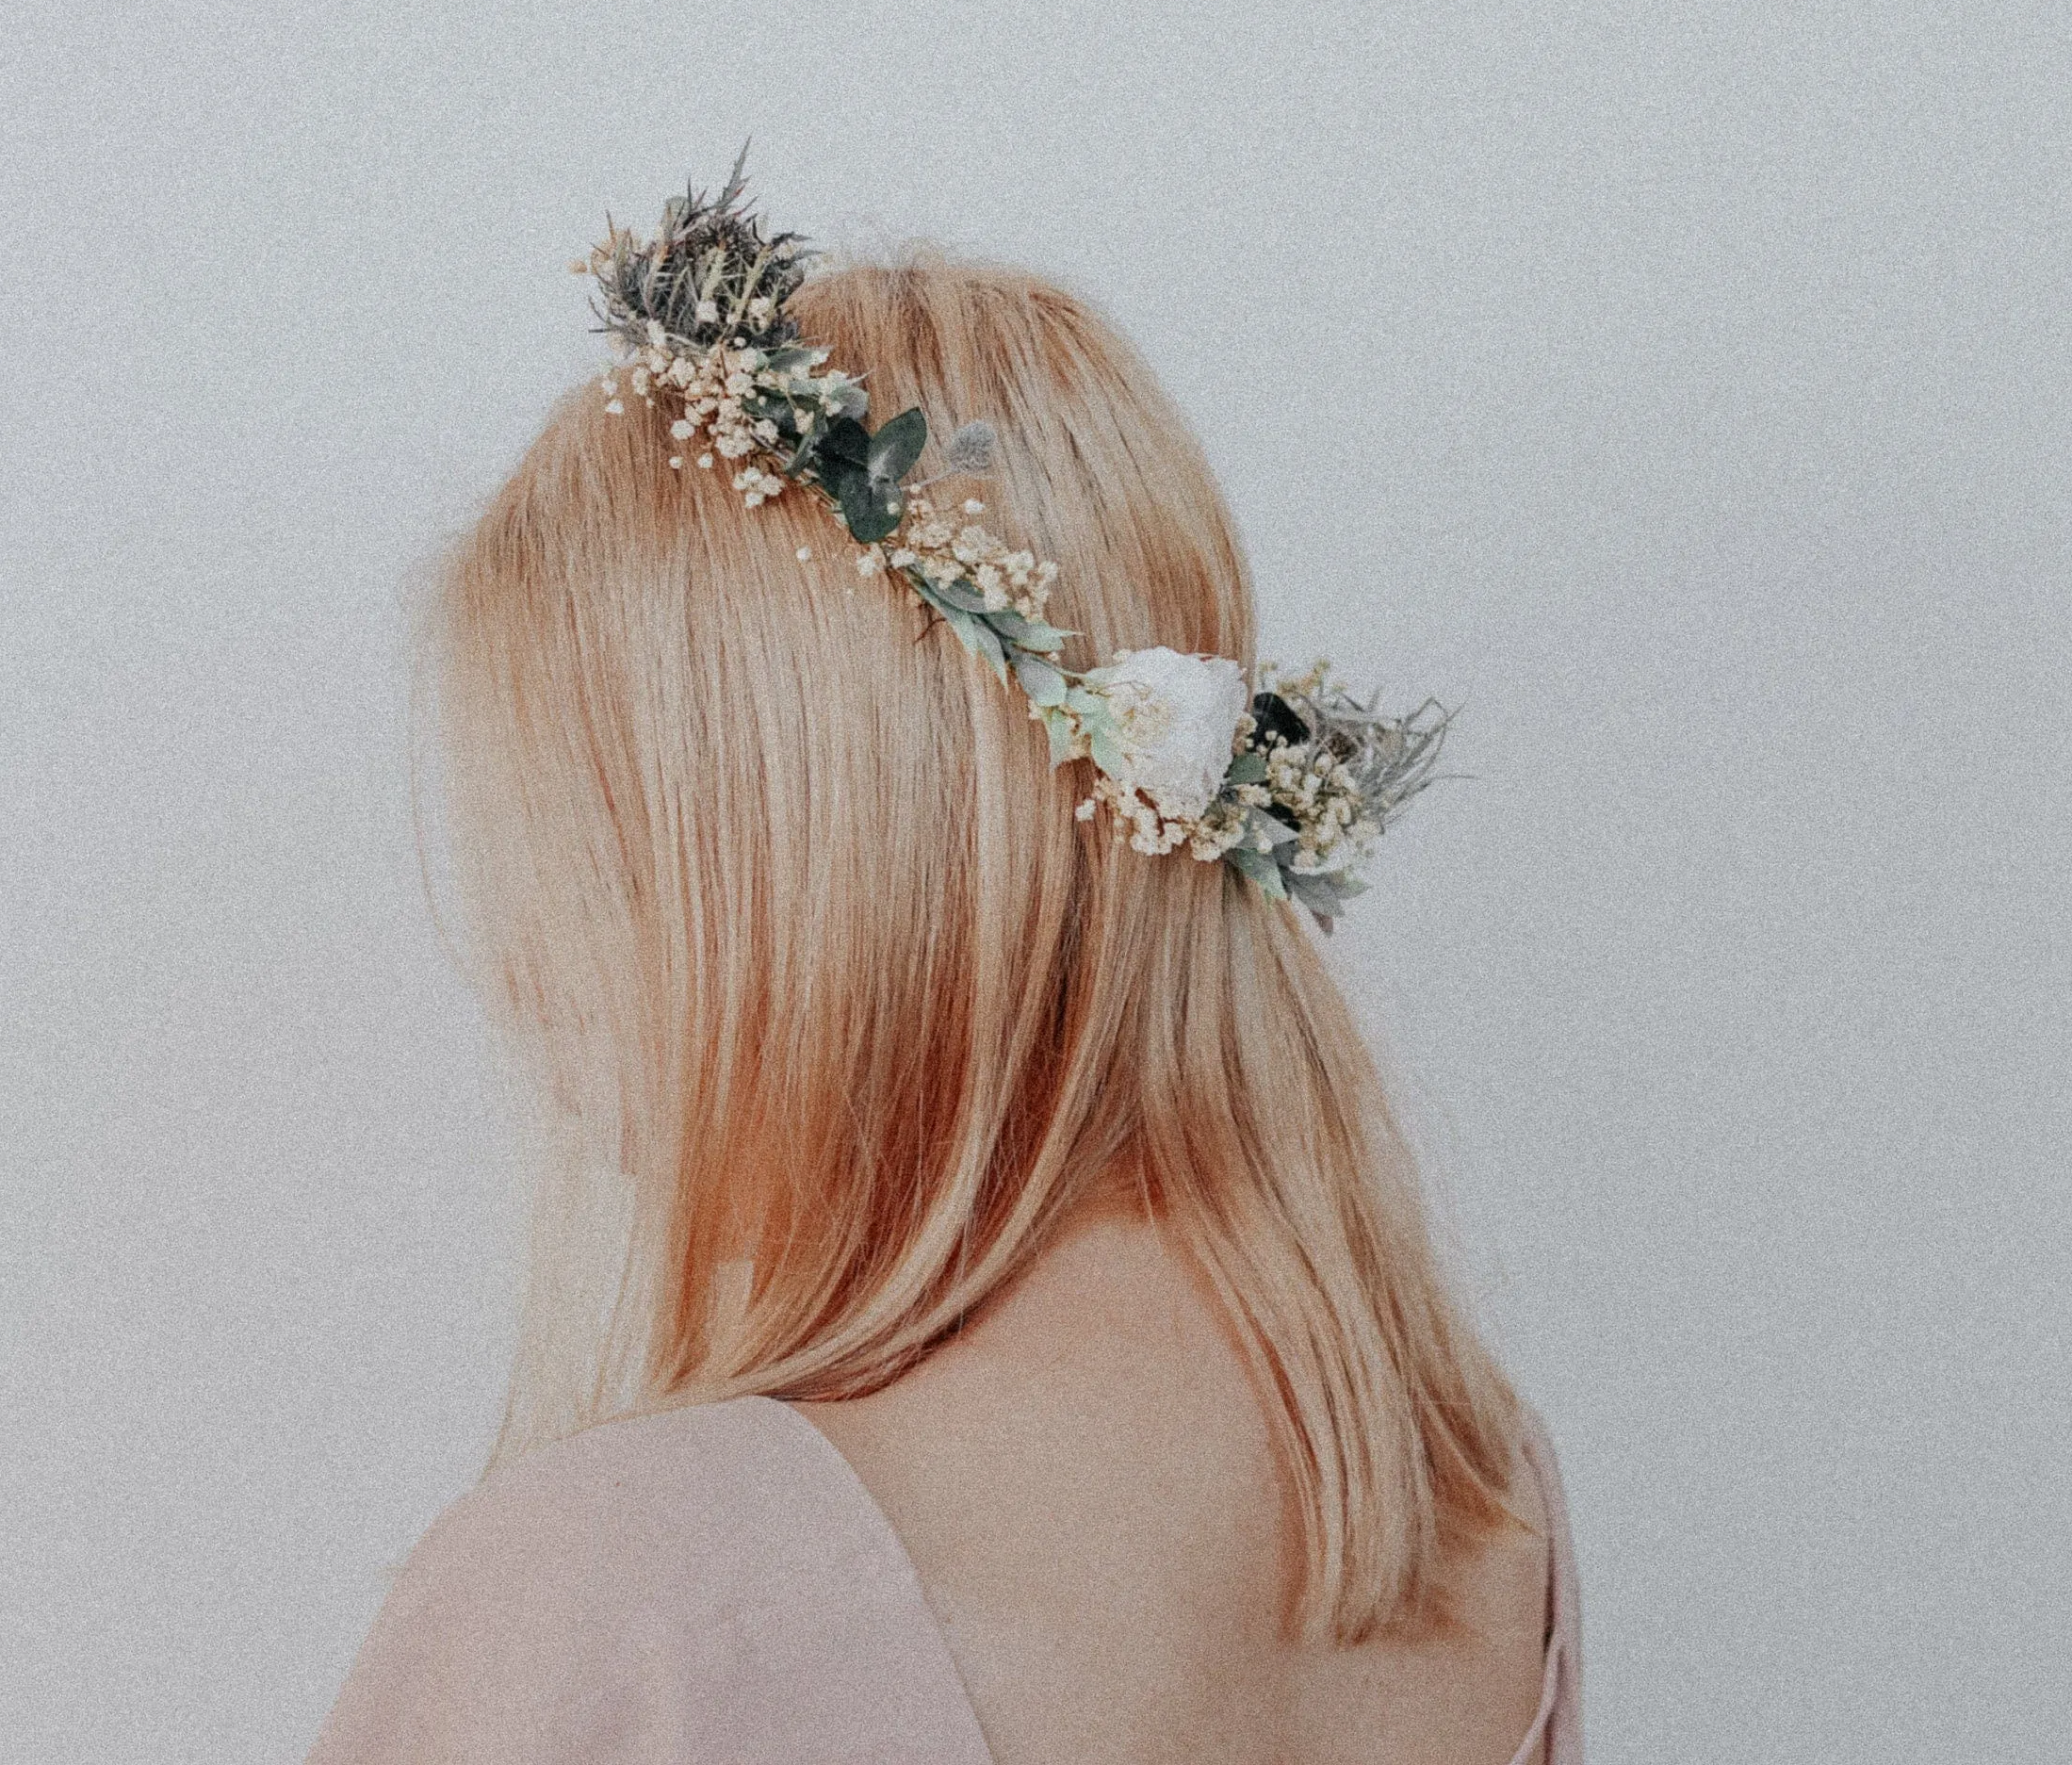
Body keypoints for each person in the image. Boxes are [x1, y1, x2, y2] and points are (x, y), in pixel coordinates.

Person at [305, 170, 1580, 1764]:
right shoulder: (1469, 1510)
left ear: (790, 890)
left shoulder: (635, 1586)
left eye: (584, 868)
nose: (517, 976)